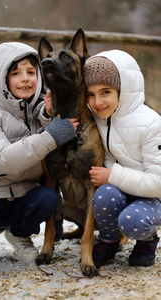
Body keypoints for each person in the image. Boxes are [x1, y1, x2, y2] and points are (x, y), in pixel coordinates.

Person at [0, 42, 79, 267]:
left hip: (24, 194)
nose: (25, 78)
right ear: (1, 81)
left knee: (49, 198)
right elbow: (6, 160)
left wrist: (48, 115)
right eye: (15, 73)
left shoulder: (40, 114)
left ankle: (19, 234)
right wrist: (52, 135)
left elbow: (44, 128)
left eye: (31, 72)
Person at [83, 49, 161, 268]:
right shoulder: (100, 117)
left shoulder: (151, 124)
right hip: (123, 190)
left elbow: (159, 183)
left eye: (105, 92)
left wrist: (113, 175)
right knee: (103, 196)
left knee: (132, 220)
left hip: (155, 198)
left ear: (123, 90)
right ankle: (109, 241)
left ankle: (147, 240)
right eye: (90, 94)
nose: (97, 101)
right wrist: (49, 111)